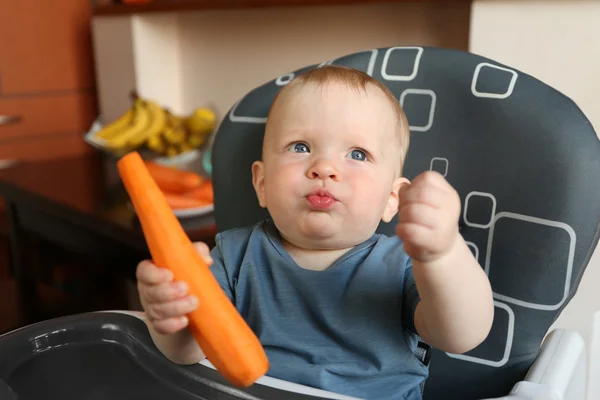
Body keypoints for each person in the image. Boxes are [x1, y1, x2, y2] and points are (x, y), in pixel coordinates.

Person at [135, 65, 494, 400]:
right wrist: (170, 316)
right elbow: (187, 353)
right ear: (261, 183)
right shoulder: (233, 256)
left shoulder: (403, 264)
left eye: (357, 154)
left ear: (391, 199)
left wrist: (443, 255)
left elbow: (460, 336)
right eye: (301, 147)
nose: (324, 168)